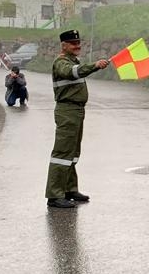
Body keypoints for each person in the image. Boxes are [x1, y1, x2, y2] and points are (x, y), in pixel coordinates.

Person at [44, 29, 110, 209]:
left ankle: (69, 189)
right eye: (73, 43)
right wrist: (95, 65)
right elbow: (73, 72)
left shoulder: (73, 60)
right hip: (67, 111)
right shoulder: (61, 62)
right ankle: (54, 195)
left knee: (72, 154)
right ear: (63, 45)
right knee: (62, 154)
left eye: (78, 42)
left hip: (77, 111)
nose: (77, 46)